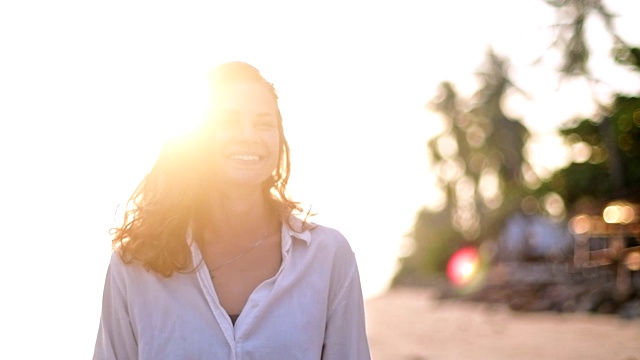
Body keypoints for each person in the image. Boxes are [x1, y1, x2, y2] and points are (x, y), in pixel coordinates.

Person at [93, 61, 371, 359]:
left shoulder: (327, 257)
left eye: (264, 124)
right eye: (229, 122)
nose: (248, 135)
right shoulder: (136, 264)